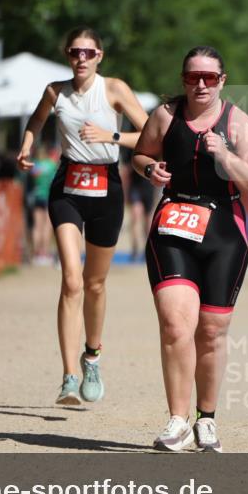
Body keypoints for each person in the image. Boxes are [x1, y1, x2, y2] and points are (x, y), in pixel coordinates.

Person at [133, 46, 248, 452]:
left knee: (211, 331)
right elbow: (142, 153)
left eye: (210, 77)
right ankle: (178, 419)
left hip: (224, 232)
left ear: (222, 80)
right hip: (174, 224)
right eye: (194, 76)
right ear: (183, 79)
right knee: (176, 325)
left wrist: (225, 156)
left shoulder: (237, 122)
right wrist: (148, 168)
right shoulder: (165, 116)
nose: (201, 84)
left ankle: (206, 420)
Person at [17, 26, 149, 406]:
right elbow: (36, 121)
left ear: (99, 57)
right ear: (67, 54)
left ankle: (91, 356)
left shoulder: (114, 90)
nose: (81, 58)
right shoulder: (55, 92)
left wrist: (110, 137)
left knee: (94, 283)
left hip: (106, 188)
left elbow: (150, 135)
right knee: (71, 281)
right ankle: (68, 377)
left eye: (88, 53)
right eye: (75, 51)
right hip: (67, 189)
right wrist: (26, 147)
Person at [30, 145, 57, 265]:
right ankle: (45, 252)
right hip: (48, 196)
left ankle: (36, 252)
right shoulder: (51, 165)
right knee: (47, 225)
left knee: (37, 226)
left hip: (37, 196)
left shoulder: (35, 165)